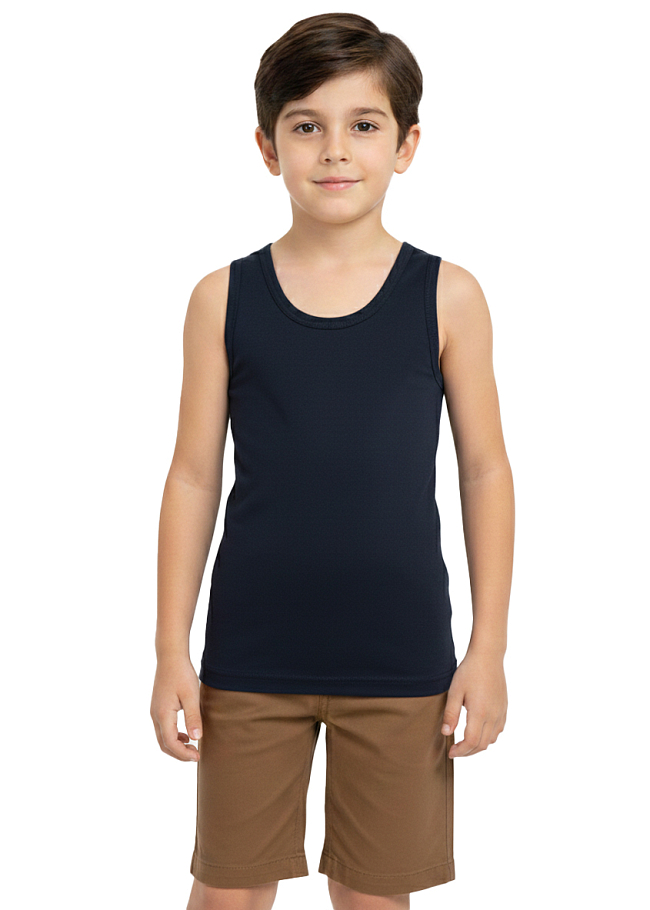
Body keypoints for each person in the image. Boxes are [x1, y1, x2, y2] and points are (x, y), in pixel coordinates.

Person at [150, 12, 514, 910]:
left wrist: (488, 650)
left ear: (407, 144)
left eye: (364, 124)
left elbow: (484, 472)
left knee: (374, 896)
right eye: (307, 125)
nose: (336, 150)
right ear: (267, 147)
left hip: (402, 659)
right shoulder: (222, 298)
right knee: (227, 893)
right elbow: (193, 476)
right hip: (250, 656)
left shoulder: (449, 296)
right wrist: (170, 650)